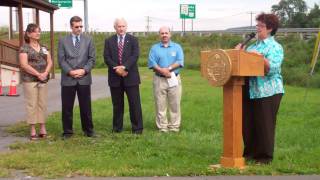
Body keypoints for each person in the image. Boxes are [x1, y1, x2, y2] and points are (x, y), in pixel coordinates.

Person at [236, 13, 284, 164]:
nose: (257, 28)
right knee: (249, 122)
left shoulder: (275, 47)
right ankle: (250, 153)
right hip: (250, 88)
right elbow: (243, 65)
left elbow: (274, 69)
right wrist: (239, 53)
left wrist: (260, 58)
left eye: (260, 26)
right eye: (257, 25)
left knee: (264, 123)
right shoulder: (252, 46)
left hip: (268, 90)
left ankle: (264, 157)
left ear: (270, 28)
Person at [58, 16, 96, 139]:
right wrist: (70, 72)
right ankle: (67, 132)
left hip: (84, 79)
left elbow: (92, 59)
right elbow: (61, 60)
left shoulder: (89, 40)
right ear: (71, 27)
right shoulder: (63, 40)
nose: (79, 29)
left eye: (81, 26)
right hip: (68, 79)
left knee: (86, 107)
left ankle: (88, 130)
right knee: (67, 107)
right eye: (76, 27)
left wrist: (84, 70)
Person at [103, 18, 143, 134]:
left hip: (131, 77)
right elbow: (107, 57)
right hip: (115, 77)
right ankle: (117, 128)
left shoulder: (133, 40)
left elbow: (135, 56)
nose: (121, 28)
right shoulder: (109, 41)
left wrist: (124, 67)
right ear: (115, 27)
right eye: (119, 26)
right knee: (117, 105)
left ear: (126, 27)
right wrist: (118, 69)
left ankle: (137, 129)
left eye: (123, 26)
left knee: (134, 104)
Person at [19, 23, 52, 140]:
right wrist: (38, 74)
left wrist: (45, 73)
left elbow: (50, 62)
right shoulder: (24, 48)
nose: (38, 33)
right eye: (35, 31)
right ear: (28, 34)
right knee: (32, 104)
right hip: (30, 80)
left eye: (39, 31)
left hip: (43, 79)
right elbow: (24, 64)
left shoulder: (44, 47)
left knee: (42, 103)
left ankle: (42, 127)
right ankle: (32, 129)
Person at [148, 26, 184, 132]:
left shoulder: (177, 47)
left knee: (175, 103)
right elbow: (152, 62)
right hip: (159, 79)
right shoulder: (154, 48)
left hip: (174, 78)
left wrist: (168, 69)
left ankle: (174, 126)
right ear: (159, 35)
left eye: (166, 33)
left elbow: (180, 61)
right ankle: (162, 126)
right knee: (160, 104)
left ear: (170, 34)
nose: (164, 35)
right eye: (162, 33)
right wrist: (162, 71)